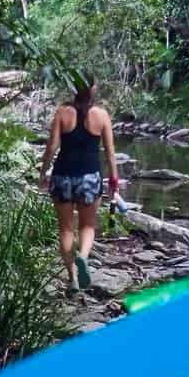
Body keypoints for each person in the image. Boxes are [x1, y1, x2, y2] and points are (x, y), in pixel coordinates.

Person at [38, 75, 119, 293]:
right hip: (89, 178)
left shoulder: (62, 112)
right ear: (93, 88)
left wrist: (43, 172)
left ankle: (73, 277)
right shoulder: (101, 115)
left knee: (65, 229)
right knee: (88, 226)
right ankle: (83, 256)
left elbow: (52, 146)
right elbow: (111, 154)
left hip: (62, 176)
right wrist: (114, 182)